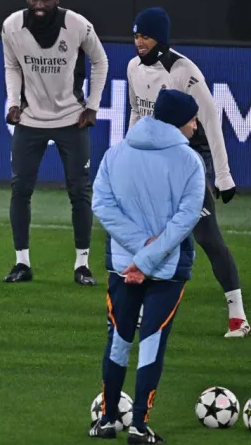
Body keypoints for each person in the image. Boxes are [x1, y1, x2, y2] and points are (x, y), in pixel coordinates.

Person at [89, 89, 205, 443]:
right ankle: (139, 426)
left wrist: (137, 255)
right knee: (151, 343)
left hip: (123, 267)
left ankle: (108, 420)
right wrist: (149, 255)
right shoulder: (190, 162)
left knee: (118, 341)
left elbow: (101, 204)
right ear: (178, 121)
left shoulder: (116, 153)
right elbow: (186, 219)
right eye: (192, 119)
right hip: (167, 271)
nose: (196, 127)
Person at [127, 7, 248, 338]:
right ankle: (139, 310)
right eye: (136, 35)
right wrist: (128, 151)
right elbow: (138, 113)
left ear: (160, 39)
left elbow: (210, 120)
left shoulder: (183, 72)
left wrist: (223, 177)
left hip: (188, 159)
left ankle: (237, 316)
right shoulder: (133, 68)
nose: (139, 42)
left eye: (146, 36)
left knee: (207, 236)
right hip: (156, 160)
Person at [1, 0, 109, 285]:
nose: (39, 4)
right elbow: (11, 65)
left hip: (71, 119)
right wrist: (13, 102)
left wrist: (92, 106)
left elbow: (100, 61)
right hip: (30, 120)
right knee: (20, 190)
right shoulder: (11, 26)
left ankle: (82, 265)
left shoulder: (76, 25)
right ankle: (21, 263)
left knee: (79, 192)